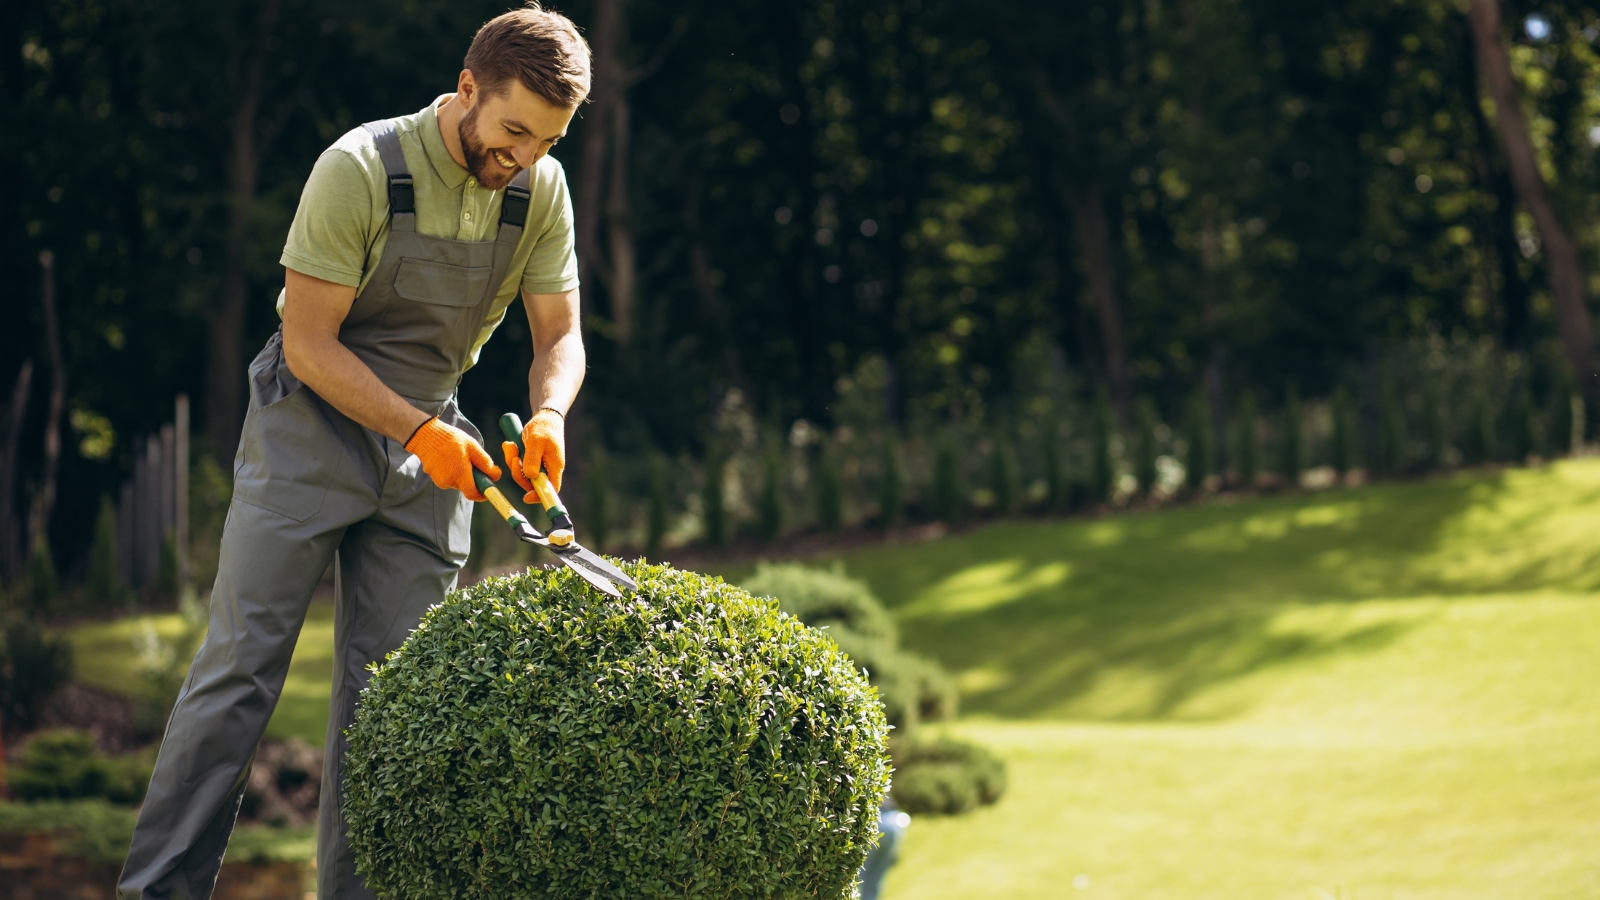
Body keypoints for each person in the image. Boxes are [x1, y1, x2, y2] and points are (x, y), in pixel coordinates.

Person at [116, 6, 591, 898]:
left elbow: (558, 331)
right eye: (513, 130)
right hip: (312, 427)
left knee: (391, 712)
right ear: (467, 91)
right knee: (239, 674)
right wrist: (417, 432)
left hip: (432, 450)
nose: (523, 155)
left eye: (547, 138)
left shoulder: (542, 190)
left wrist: (549, 416)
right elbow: (309, 343)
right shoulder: (361, 168)